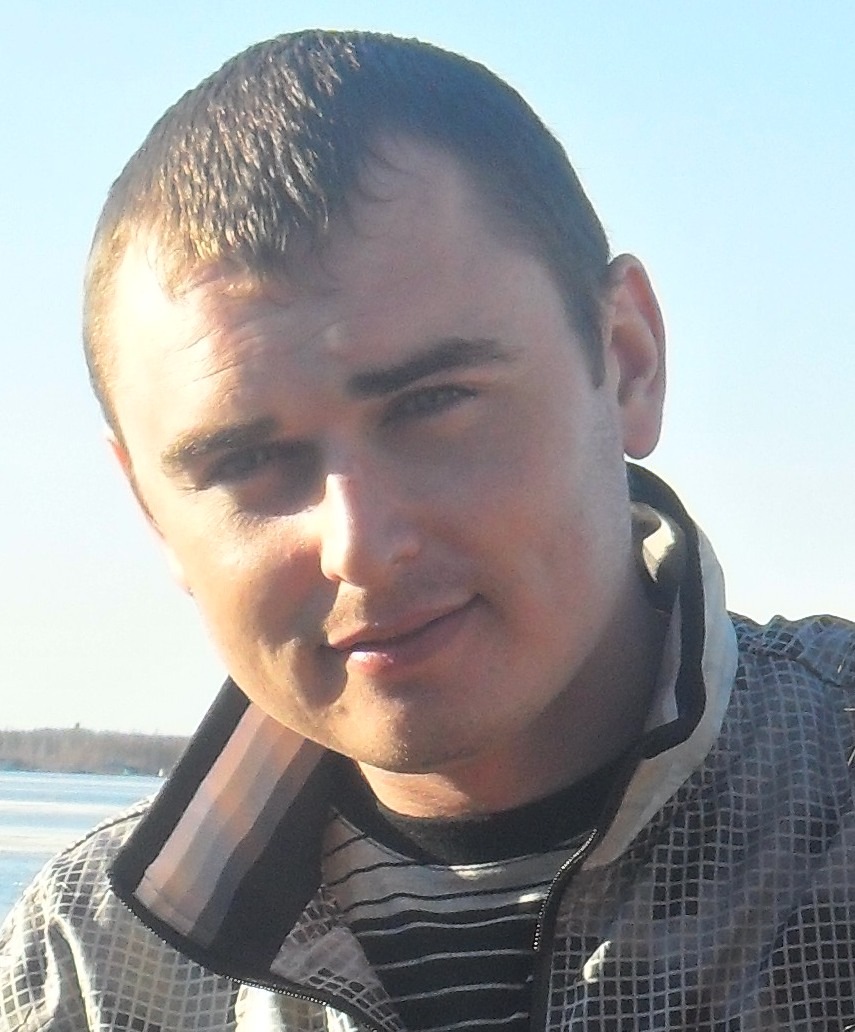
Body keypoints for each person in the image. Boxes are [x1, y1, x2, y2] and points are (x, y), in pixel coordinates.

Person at [1, 28, 854, 1032]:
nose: (359, 545)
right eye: (246, 462)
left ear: (627, 361)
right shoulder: (89, 967)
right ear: (151, 509)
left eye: (431, 402)